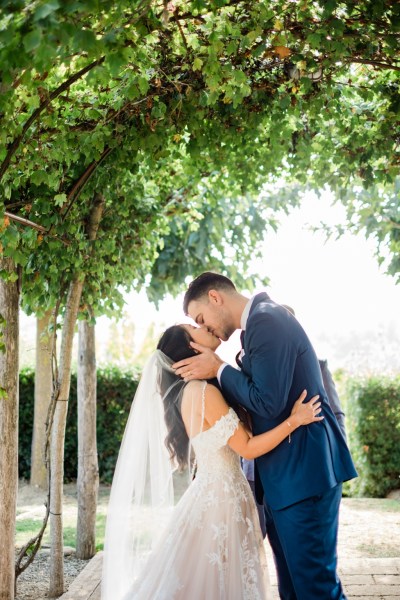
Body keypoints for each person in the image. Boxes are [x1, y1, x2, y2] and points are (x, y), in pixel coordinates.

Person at [102, 323, 323, 600]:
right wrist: (295, 420)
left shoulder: (192, 391)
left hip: (215, 492)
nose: (202, 326)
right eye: (194, 327)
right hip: (221, 500)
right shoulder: (204, 393)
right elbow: (248, 447)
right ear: (191, 348)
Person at [173, 273, 358, 600]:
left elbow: (266, 401)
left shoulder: (267, 320)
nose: (207, 329)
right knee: (292, 588)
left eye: (201, 319)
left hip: (304, 477)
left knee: (316, 589)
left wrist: (218, 368)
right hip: (284, 482)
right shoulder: (257, 326)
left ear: (215, 297)